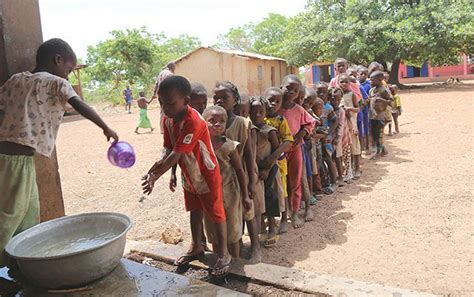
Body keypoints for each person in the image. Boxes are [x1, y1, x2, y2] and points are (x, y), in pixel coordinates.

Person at [0, 38, 119, 268]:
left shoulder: (16, 79)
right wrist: (105, 127)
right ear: (58, 60)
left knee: (30, 213)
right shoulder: (56, 83)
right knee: (10, 215)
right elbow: (80, 104)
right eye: (69, 69)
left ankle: (21, 262)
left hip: (11, 157)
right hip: (18, 161)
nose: (68, 75)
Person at [142, 75, 231, 277]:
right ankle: (196, 246)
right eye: (162, 103)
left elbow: (177, 153)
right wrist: (155, 169)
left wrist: (155, 175)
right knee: (194, 209)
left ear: (186, 101)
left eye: (170, 103)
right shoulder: (168, 119)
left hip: (206, 173)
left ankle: (224, 253)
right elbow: (167, 148)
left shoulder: (194, 122)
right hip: (188, 173)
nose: (165, 108)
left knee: (216, 213)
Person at [213, 81, 261, 263]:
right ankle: (236, 245)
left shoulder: (241, 123)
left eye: (224, 97)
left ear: (235, 100)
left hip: (243, 173)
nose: (219, 101)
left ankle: (255, 246)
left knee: (248, 209)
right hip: (225, 175)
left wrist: (251, 179)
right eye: (216, 97)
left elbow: (248, 154)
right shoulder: (214, 123)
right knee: (231, 211)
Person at [202, 105, 251, 259]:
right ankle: (219, 259)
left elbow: (239, 170)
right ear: (203, 122)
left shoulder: (229, 145)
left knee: (232, 232)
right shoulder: (201, 145)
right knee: (213, 230)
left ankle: (235, 263)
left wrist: (245, 196)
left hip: (229, 192)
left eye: (222, 121)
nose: (217, 124)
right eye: (212, 121)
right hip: (209, 194)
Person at [278, 75, 315, 228]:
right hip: (279, 152)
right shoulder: (275, 108)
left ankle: (294, 213)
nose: (291, 92)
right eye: (288, 88)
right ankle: (283, 215)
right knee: (281, 184)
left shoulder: (298, 110)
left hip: (295, 150)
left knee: (296, 182)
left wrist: (302, 134)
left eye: (295, 90)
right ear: (281, 87)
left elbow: (310, 123)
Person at [249, 96, 283, 248]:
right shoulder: (248, 130)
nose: (257, 114)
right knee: (258, 200)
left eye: (260, 111)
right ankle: (261, 227)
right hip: (256, 172)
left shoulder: (270, 131)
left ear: (265, 113)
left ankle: (272, 228)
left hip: (268, 171)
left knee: (270, 198)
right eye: (253, 111)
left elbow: (276, 152)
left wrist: (268, 169)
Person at [263, 87, 294, 234]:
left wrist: (274, 156)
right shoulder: (259, 117)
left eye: (277, 101)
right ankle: (267, 219)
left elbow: (288, 140)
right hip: (262, 161)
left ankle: (283, 218)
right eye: (270, 100)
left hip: (278, 161)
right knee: (266, 189)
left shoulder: (280, 120)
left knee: (281, 190)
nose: (273, 104)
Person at [315, 82, 338, 194]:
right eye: (318, 92)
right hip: (316, 138)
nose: (321, 94)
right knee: (319, 160)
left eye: (324, 92)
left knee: (327, 158)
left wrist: (329, 132)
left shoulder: (328, 107)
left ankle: (334, 182)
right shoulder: (312, 105)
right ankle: (324, 183)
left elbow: (335, 120)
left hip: (325, 138)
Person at [338, 74, 361, 179]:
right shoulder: (337, 95)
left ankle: (357, 168)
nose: (344, 84)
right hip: (342, 124)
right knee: (346, 146)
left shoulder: (352, 94)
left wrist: (349, 108)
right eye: (341, 82)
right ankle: (348, 169)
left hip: (351, 122)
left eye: (346, 82)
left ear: (349, 83)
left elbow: (358, 109)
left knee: (355, 146)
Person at [368, 71, 393, 159]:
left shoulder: (384, 90)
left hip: (380, 117)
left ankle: (378, 153)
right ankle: (383, 150)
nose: (370, 82)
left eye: (372, 80)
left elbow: (391, 100)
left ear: (380, 80)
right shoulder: (371, 90)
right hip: (372, 116)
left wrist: (382, 101)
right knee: (374, 135)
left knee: (379, 135)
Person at [330, 87, 352, 183]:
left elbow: (341, 125)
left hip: (340, 136)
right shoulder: (328, 108)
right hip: (331, 136)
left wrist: (337, 137)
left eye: (338, 99)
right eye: (333, 99)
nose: (336, 102)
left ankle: (344, 176)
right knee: (333, 156)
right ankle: (336, 175)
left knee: (341, 156)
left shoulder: (341, 111)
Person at [153, 62, 176, 134]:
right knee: (169, 110)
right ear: (172, 67)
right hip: (167, 94)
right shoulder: (169, 74)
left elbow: (156, 84)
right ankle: (166, 128)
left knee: (162, 111)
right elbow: (172, 84)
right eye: (174, 68)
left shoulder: (161, 73)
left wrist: (154, 94)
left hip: (160, 94)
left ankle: (162, 128)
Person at [358, 66, 371, 151]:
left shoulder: (368, 85)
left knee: (366, 126)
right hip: (358, 109)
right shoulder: (356, 84)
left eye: (365, 74)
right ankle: (361, 146)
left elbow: (368, 98)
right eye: (361, 73)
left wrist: (363, 104)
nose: (363, 75)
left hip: (365, 108)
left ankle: (367, 146)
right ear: (357, 74)